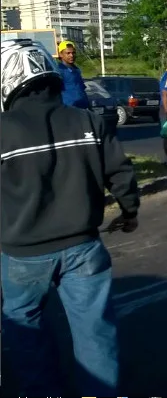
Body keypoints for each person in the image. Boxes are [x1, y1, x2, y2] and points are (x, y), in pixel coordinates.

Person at [0, 38, 139, 395]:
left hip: (22, 253)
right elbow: (121, 175)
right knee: (94, 332)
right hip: (84, 246)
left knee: (25, 332)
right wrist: (129, 212)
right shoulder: (89, 121)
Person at [57, 40, 90, 109]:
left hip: (82, 108)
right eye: (68, 53)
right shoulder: (59, 70)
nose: (71, 55)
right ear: (60, 54)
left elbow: (81, 89)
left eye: (73, 53)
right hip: (68, 109)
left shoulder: (76, 69)